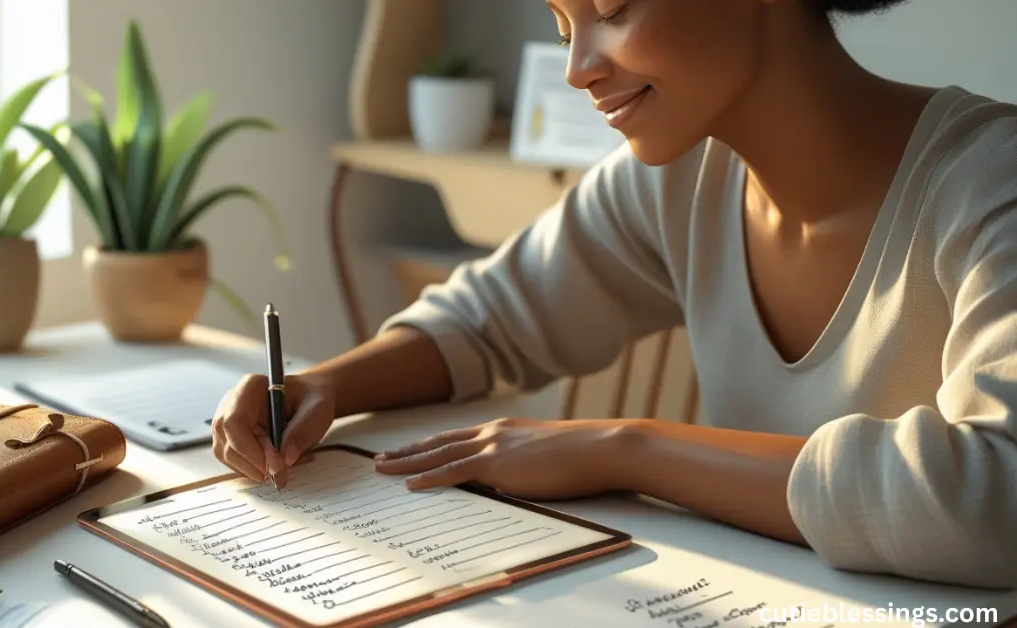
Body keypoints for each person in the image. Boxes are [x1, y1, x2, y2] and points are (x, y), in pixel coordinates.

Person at [210, 0, 1017, 590]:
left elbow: (996, 497)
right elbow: (486, 321)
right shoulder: (678, 184)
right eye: (565, 24)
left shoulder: (992, 184)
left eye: (612, 8)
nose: (577, 67)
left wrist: (624, 447)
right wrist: (326, 384)